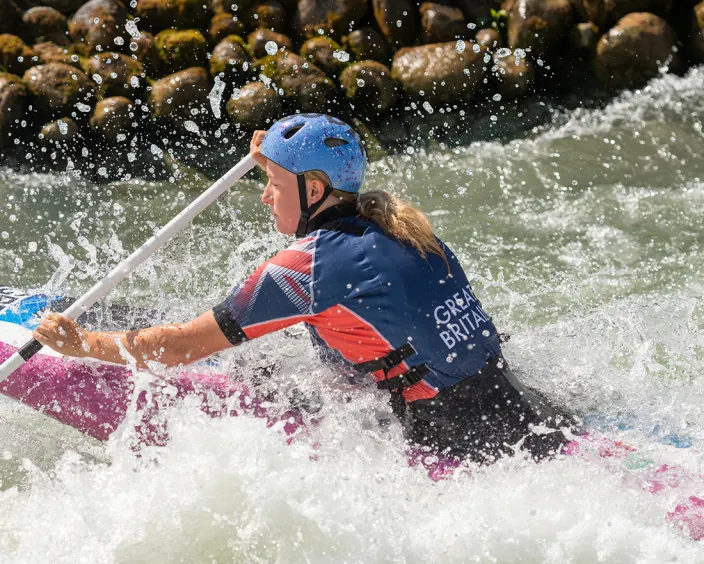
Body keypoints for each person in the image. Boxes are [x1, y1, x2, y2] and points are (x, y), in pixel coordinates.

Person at [33, 114, 575, 462]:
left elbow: (177, 348)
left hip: (446, 435)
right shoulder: (398, 225)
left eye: (271, 183)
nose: (265, 197)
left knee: (263, 369)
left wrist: (83, 346)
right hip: (508, 396)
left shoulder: (305, 268)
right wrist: (271, 155)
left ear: (313, 189)